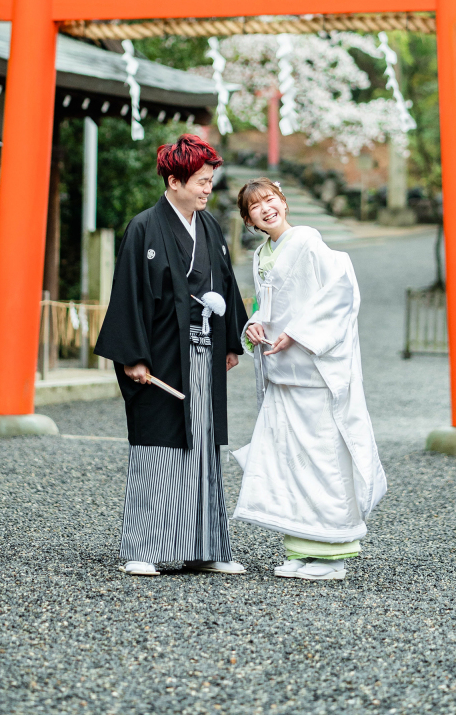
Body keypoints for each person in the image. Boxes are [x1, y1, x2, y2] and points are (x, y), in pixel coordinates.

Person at [95, 134, 248, 577]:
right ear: (174, 179)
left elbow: (225, 286)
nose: (207, 189)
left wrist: (230, 342)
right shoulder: (145, 226)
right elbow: (128, 295)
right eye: (201, 181)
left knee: (202, 445)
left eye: (210, 181)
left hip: (202, 352)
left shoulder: (210, 228)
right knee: (157, 446)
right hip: (160, 355)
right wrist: (133, 355)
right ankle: (144, 547)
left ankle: (203, 548)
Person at [232, 177, 387, 581]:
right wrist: (252, 325)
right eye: (255, 206)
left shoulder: (308, 240)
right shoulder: (263, 253)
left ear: (282, 200)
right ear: (249, 220)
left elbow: (341, 292)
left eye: (270, 199)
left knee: (321, 460)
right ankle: (300, 548)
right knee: (287, 462)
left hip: (312, 370)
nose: (265, 208)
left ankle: (331, 555)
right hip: (282, 373)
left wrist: (298, 333)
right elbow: (265, 306)